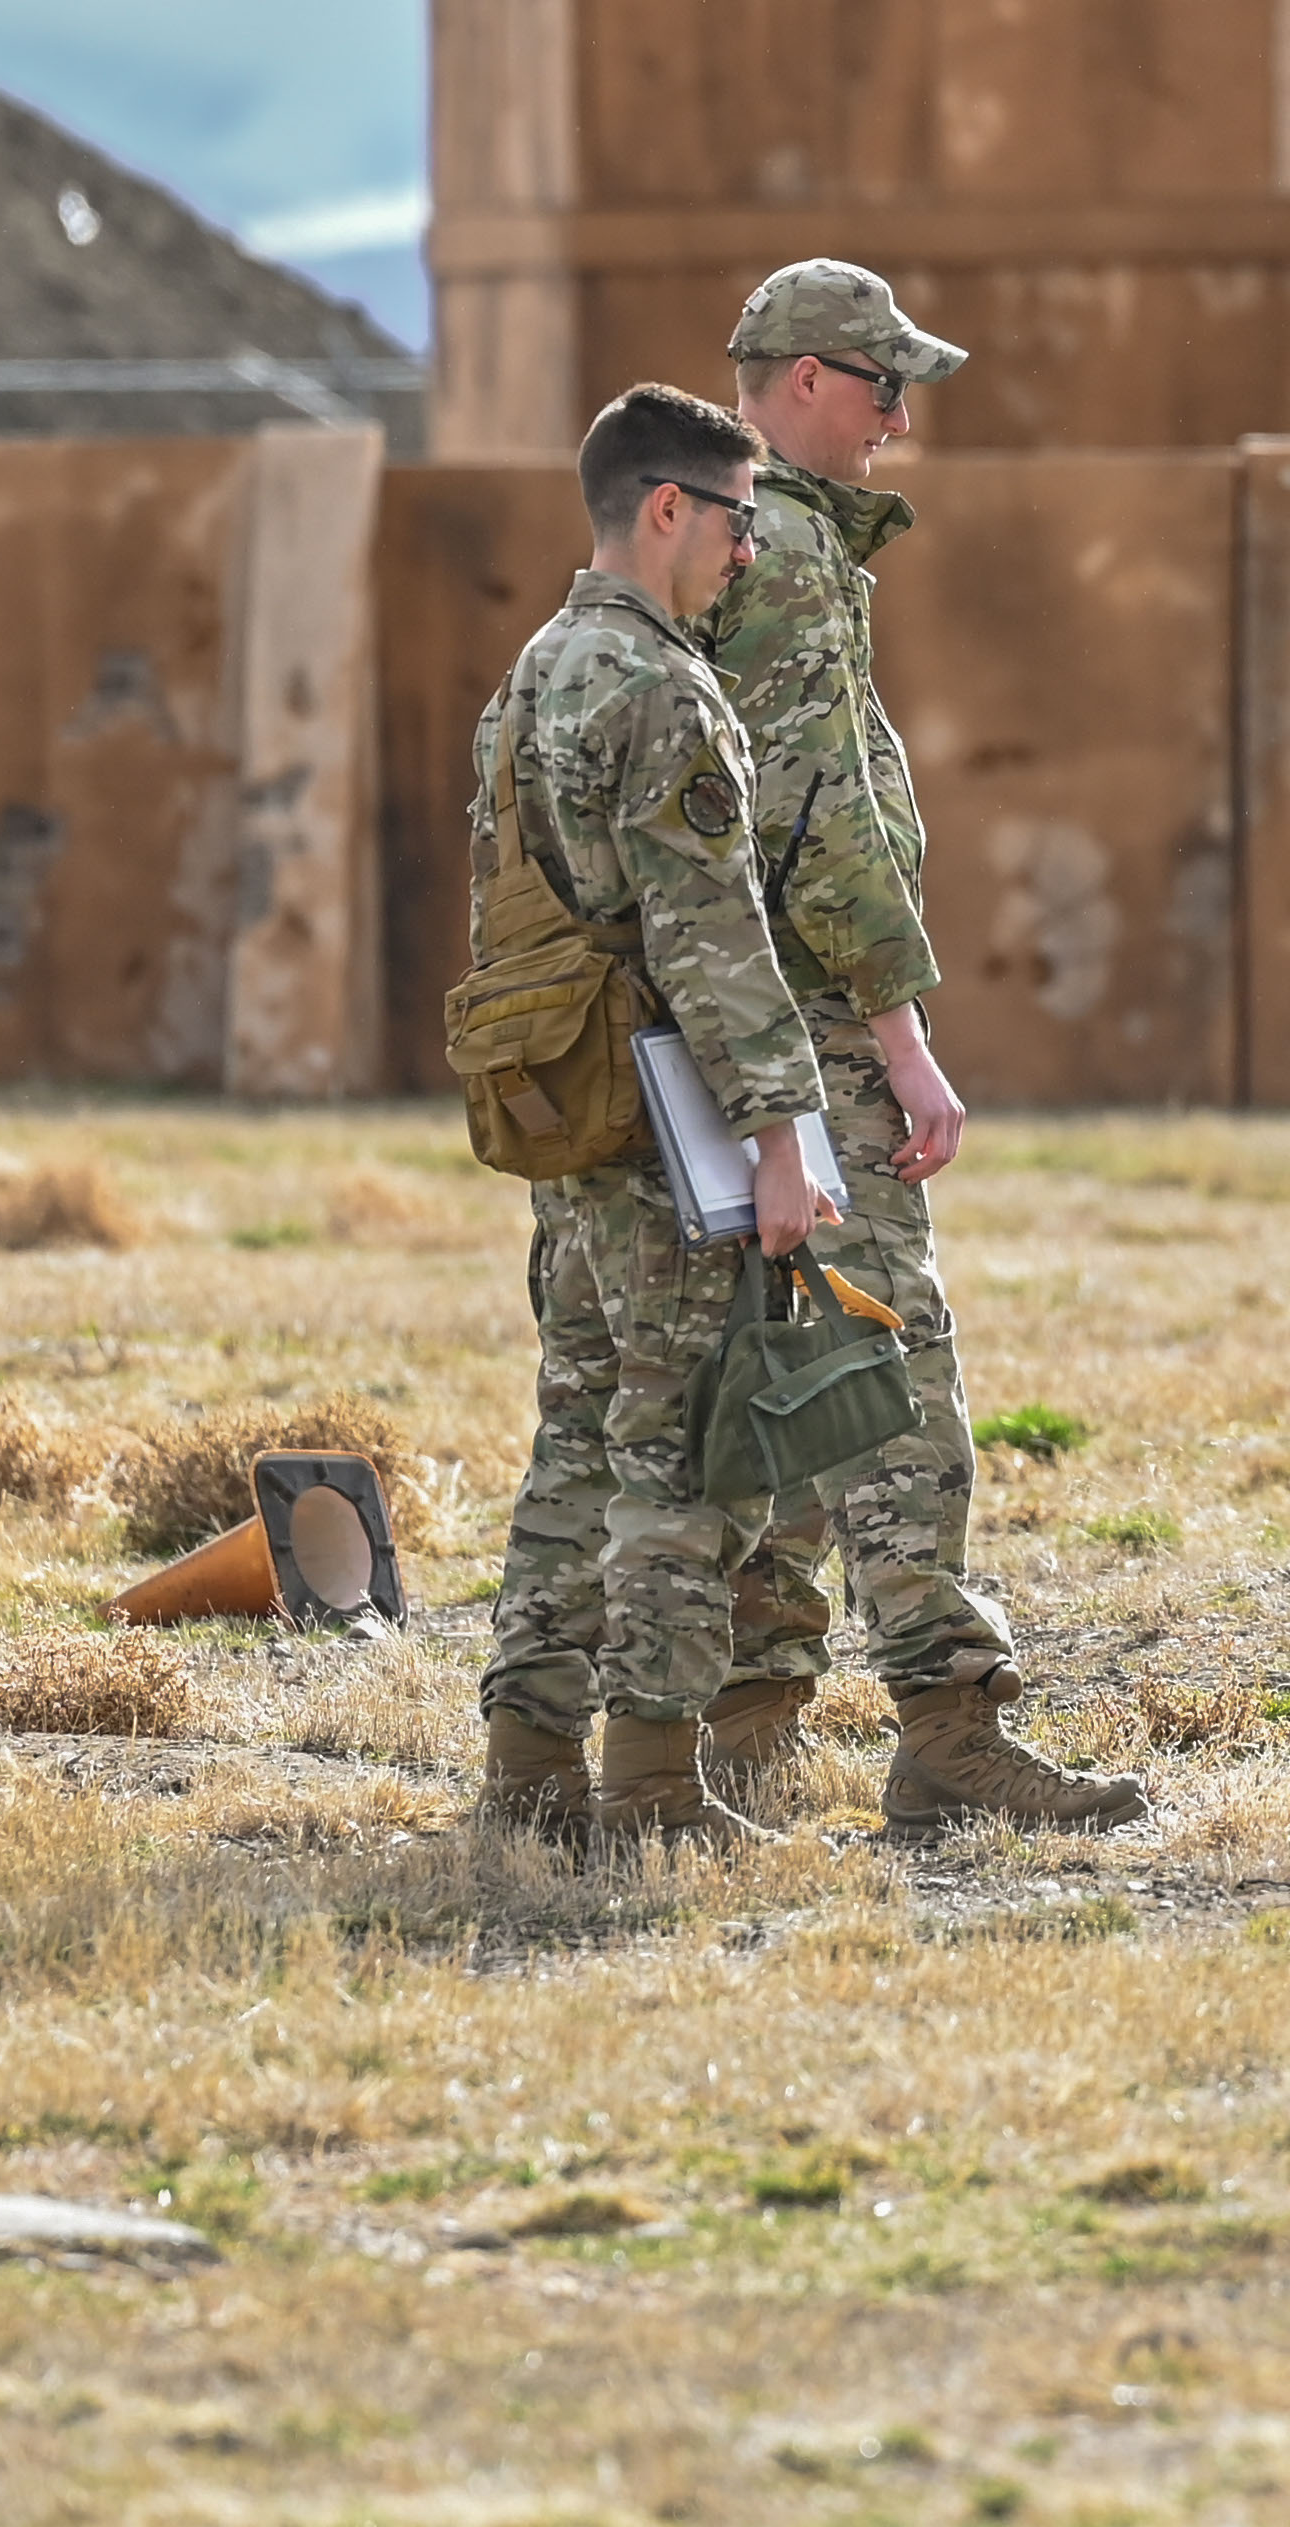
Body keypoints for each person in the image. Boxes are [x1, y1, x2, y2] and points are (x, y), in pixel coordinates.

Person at [693, 259, 1145, 1838]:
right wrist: (902, 1035)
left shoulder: (710, 534)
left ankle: (741, 1723)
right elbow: (823, 821)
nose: (900, 418)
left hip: (722, 1018)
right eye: (886, 386)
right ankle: (950, 1727)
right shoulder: (792, 552)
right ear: (809, 379)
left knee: (767, 1361)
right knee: (890, 1360)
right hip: (810, 1021)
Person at [472, 385, 835, 1850]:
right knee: (682, 1453)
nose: (749, 551)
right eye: (739, 519)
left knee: (573, 1445)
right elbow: (710, 935)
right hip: (664, 1134)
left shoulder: (533, 676)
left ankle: (530, 1770)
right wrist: (782, 1138)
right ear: (668, 508)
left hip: (567, 1120)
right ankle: (654, 1791)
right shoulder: (663, 690)